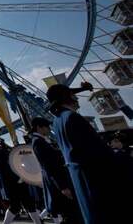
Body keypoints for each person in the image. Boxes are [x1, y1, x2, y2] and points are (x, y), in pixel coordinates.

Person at [47, 83, 133, 224]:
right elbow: (98, 152)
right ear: (67, 97)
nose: (76, 98)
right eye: (73, 95)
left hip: (80, 178)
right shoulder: (73, 117)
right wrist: (122, 154)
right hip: (96, 177)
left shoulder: (57, 121)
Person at [30, 117, 81, 224]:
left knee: (70, 214)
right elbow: (49, 166)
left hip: (57, 181)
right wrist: (62, 186)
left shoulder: (41, 141)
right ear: (39, 127)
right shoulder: (38, 142)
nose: (49, 129)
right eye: (47, 126)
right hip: (57, 182)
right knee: (70, 214)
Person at [0, 129, 42, 224]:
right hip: (12, 181)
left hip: (14, 180)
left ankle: (38, 222)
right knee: (18, 204)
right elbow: (4, 167)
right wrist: (19, 175)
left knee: (25, 203)